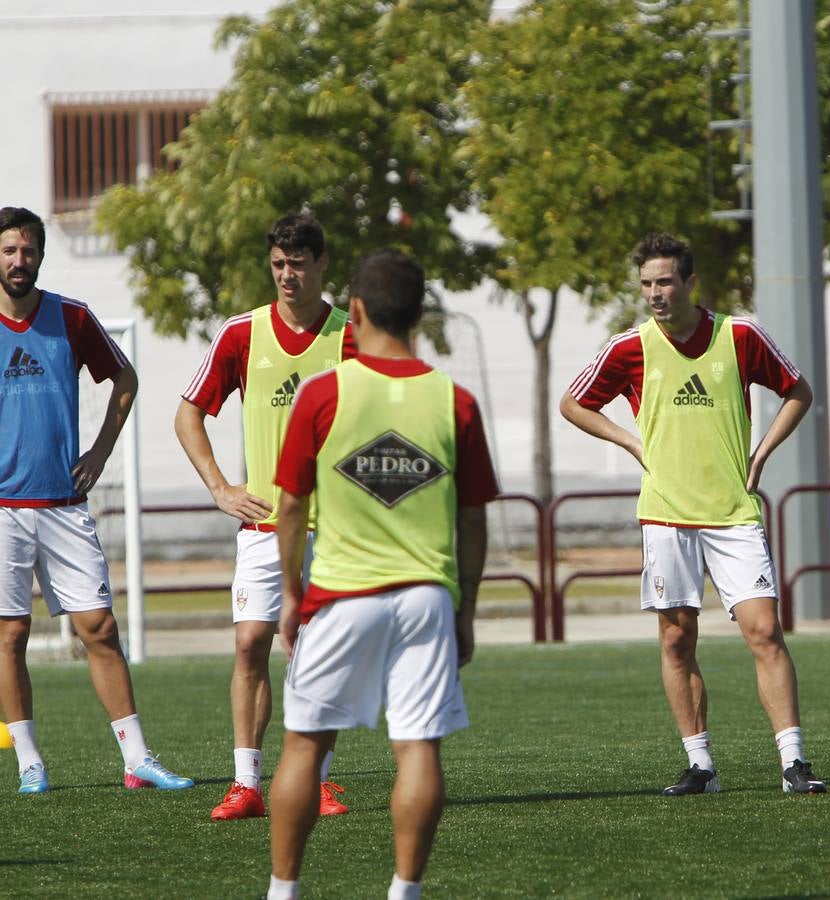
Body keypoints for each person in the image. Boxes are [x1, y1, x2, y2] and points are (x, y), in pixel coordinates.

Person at [265, 249, 498, 900]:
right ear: (419, 314)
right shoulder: (455, 401)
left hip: (341, 595)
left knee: (305, 746)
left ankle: (283, 891)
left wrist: (289, 593)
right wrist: (467, 609)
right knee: (418, 746)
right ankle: (405, 890)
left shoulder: (323, 393)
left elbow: (289, 506)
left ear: (356, 311)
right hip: (426, 598)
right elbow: (473, 519)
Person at [560, 232, 826, 796]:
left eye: (663, 282)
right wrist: (630, 443)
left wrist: (761, 454)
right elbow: (573, 404)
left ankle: (794, 762)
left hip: (733, 514)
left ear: (689, 282)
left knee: (764, 632)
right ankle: (700, 765)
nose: (654, 294)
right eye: (646, 284)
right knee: (676, 640)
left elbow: (798, 391)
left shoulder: (741, 335)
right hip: (665, 517)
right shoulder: (628, 347)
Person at [0, 206, 192, 794]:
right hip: (1, 511)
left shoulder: (73, 318)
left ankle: (136, 759)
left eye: (28, 250)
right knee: (9, 635)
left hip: (62, 503)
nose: (18, 260)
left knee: (99, 628)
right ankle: (29, 761)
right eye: (8, 250)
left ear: (40, 255)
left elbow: (125, 379)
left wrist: (102, 451)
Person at [177, 213, 357, 821]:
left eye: (298, 263)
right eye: (278, 264)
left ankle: (319, 780)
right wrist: (221, 488)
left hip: (334, 530)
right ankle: (247, 783)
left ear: (322, 264)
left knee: (318, 652)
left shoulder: (350, 334)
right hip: (263, 524)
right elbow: (187, 414)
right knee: (252, 642)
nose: (287, 275)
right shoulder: (242, 334)